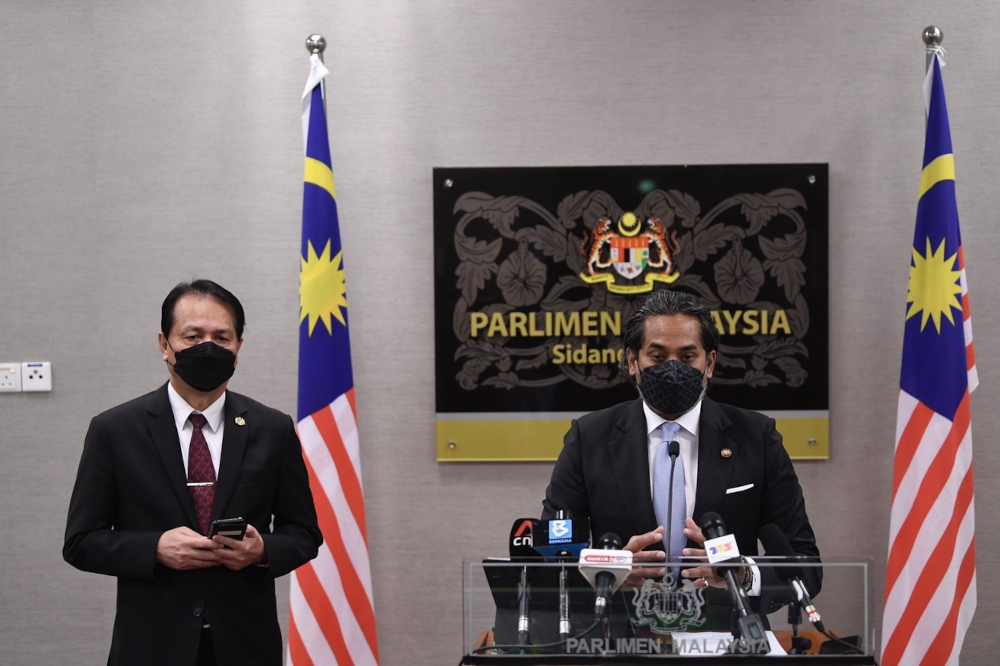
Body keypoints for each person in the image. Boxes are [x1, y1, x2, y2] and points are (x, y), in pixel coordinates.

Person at [64, 279, 323, 666]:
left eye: (222, 337)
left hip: (246, 645)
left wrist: (262, 551)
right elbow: (81, 542)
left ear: (238, 348)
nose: (208, 347)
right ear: (164, 344)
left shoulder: (273, 428)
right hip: (151, 647)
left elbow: (304, 534)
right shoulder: (114, 430)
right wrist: (155, 549)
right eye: (193, 336)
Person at [542, 289, 819, 623]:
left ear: (709, 363)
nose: (672, 369)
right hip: (621, 636)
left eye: (687, 357)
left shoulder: (756, 437)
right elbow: (550, 557)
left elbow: (805, 565)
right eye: (657, 357)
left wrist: (742, 573)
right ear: (633, 362)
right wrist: (608, 571)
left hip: (729, 636)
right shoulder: (589, 438)